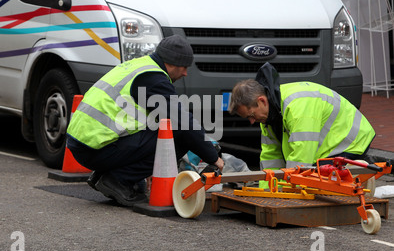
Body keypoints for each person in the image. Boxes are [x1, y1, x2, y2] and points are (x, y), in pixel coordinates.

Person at [66, 35, 224, 206]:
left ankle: (105, 175)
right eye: (184, 67)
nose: (185, 73)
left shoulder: (140, 66)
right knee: (178, 134)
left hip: (85, 144)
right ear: (171, 63)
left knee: (164, 126)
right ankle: (117, 179)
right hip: (96, 148)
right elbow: (183, 121)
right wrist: (213, 158)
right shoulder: (153, 78)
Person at [228, 62, 375, 188]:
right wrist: (266, 192)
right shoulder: (267, 117)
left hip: (351, 142)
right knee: (311, 178)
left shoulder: (298, 108)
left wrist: (290, 191)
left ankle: (357, 170)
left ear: (262, 101)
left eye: (251, 115)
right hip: (332, 145)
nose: (252, 121)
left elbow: (301, 158)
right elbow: (270, 158)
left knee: (320, 184)